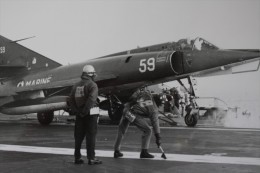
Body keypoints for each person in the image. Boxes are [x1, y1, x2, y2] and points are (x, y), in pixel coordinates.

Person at [68, 64, 102, 165]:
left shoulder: (76, 85)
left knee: (78, 137)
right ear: (91, 74)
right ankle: (91, 158)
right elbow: (92, 99)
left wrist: (77, 111)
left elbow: (71, 100)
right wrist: (85, 111)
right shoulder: (93, 85)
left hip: (79, 114)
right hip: (90, 114)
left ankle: (77, 157)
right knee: (91, 136)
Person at [113, 87, 161, 159]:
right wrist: (158, 137)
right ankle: (144, 152)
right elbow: (155, 123)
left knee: (121, 131)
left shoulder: (147, 95)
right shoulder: (154, 109)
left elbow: (135, 96)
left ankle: (116, 151)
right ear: (158, 104)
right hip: (133, 114)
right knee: (148, 130)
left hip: (126, 110)